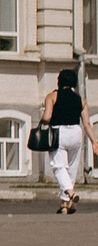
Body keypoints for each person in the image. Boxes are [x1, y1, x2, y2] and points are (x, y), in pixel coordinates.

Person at [45, 69, 84, 215]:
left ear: (59, 81)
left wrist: (43, 119)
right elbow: (86, 122)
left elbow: (47, 117)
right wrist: (94, 141)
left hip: (59, 133)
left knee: (59, 167)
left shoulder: (52, 96)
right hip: (76, 132)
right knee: (71, 169)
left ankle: (70, 192)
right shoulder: (80, 99)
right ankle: (65, 204)